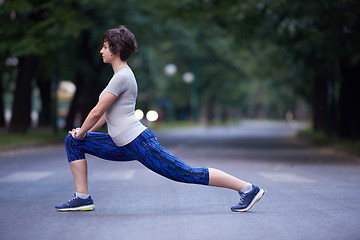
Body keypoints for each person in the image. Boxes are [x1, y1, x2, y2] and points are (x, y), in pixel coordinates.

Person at [55, 25, 264, 212]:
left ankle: (247, 189)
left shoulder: (122, 77)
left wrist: (82, 131)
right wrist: (82, 135)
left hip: (138, 142)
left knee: (186, 173)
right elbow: (106, 115)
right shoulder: (118, 76)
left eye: (105, 47)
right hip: (122, 144)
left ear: (116, 51)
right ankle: (82, 197)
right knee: (73, 142)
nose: (101, 51)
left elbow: (96, 112)